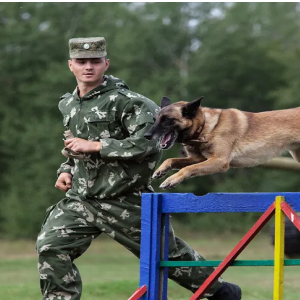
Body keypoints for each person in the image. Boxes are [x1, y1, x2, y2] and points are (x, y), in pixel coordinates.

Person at [36, 37, 242, 300]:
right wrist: (65, 169)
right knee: (50, 247)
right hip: (81, 199)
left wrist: (98, 146)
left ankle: (220, 292)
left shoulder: (131, 102)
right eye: (81, 61)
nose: (88, 67)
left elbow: (151, 144)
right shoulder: (68, 103)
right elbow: (73, 145)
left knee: (167, 255)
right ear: (71, 65)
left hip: (125, 200)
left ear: (106, 64)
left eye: (95, 61)